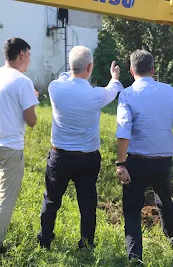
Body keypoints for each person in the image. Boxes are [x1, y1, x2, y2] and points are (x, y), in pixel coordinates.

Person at [36, 46, 123, 250]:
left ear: (70, 66)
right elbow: (114, 88)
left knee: (51, 200)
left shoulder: (55, 88)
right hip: (87, 159)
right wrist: (114, 76)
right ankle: (86, 244)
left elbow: (64, 76)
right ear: (90, 67)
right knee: (87, 203)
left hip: (59, 157)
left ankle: (45, 240)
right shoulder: (97, 95)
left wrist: (70, 71)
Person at [115, 49, 173, 263]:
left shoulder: (127, 94)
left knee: (132, 209)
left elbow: (123, 131)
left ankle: (135, 258)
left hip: (136, 162)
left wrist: (121, 163)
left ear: (131, 71)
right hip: (163, 161)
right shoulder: (169, 91)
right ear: (153, 69)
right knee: (165, 201)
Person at [0, 37, 39, 258]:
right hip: (10, 146)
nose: (30, 62)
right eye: (29, 56)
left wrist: (27, 98)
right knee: (7, 196)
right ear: (22, 54)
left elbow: (2, 103)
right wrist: (31, 102)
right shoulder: (22, 81)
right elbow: (31, 120)